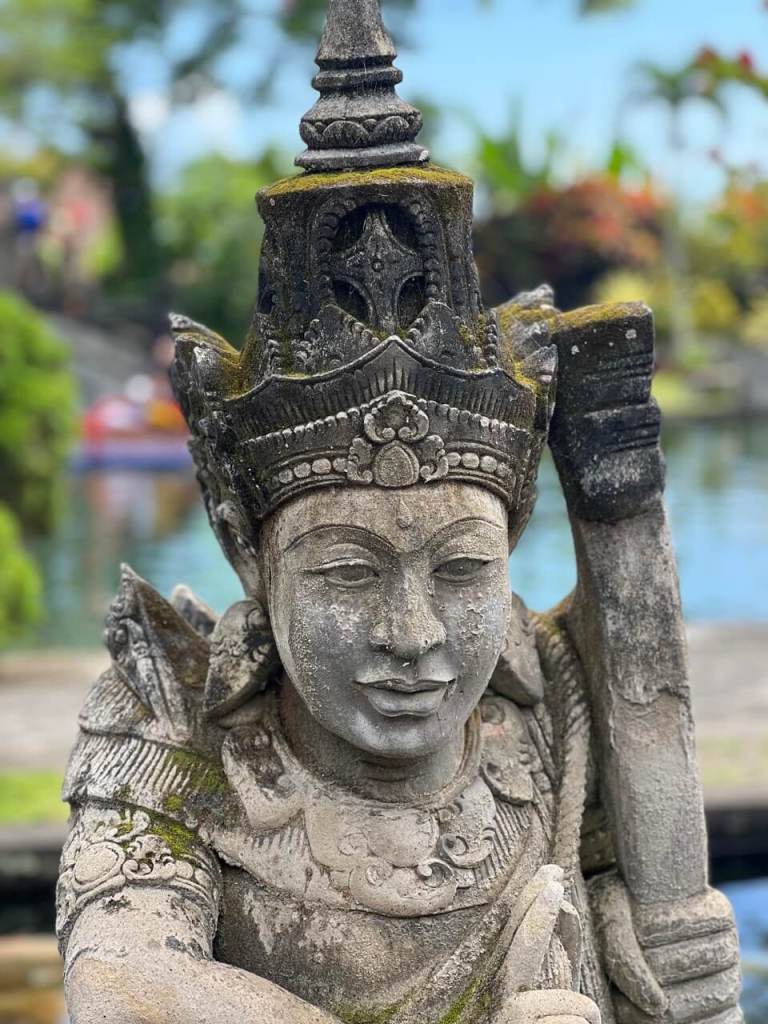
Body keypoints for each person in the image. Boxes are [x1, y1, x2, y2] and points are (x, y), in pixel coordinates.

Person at [55, 3, 742, 1023]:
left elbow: (628, 912)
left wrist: (643, 955)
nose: (412, 635)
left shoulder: (557, 704)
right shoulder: (176, 730)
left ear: (511, 545)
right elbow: (121, 985)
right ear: (251, 553)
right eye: (348, 572)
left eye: (462, 570)